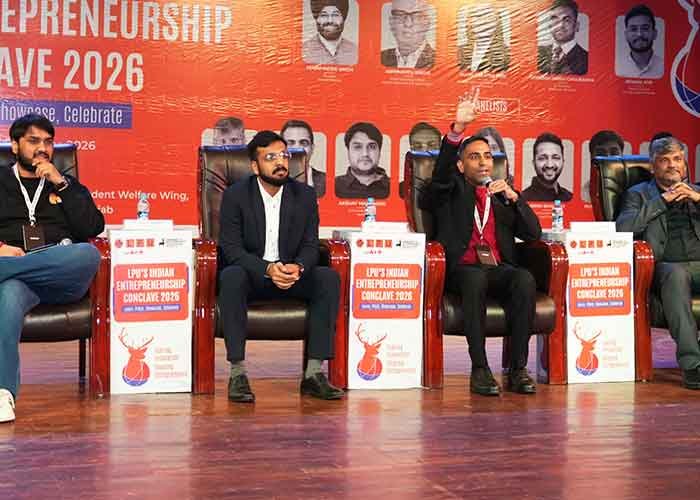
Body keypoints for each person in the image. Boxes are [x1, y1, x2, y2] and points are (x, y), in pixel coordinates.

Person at [419, 94, 542, 396]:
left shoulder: (501, 195)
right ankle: (480, 369)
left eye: (487, 156)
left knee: (524, 279)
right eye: (475, 156)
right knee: (474, 278)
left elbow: (532, 233)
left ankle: (517, 369)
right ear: (461, 166)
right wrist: (457, 130)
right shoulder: (450, 189)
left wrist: (515, 199)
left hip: (496, 269)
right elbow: (441, 175)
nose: (484, 161)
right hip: (461, 270)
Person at [217, 131, 344, 403]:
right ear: (255, 166)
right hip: (254, 276)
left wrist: (298, 267)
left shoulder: (305, 195)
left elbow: (311, 244)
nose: (280, 163)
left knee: (327, 278)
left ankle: (314, 374)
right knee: (231, 276)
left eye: (284, 156)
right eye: (270, 157)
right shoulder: (235, 196)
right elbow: (231, 248)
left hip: (291, 275)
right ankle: (238, 374)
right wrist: (267, 269)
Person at [0, 114, 104, 423]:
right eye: (33, 141)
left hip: (61, 276)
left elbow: (93, 227)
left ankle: (11, 267)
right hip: (18, 279)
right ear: (15, 145)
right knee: (8, 295)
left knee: (87, 254)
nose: (42, 149)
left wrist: (62, 183)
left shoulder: (66, 184)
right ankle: (3, 393)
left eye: (48, 142)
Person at [616, 137, 700, 390]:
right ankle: (693, 365)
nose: (672, 165)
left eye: (677, 159)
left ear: (685, 164)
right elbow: (623, 228)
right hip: (665, 266)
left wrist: (697, 198)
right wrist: (663, 200)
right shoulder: (638, 194)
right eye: (664, 160)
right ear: (653, 167)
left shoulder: (697, 191)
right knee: (676, 275)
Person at [335, 122, 390, 199]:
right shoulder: (333, 186)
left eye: (372, 147)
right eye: (357, 147)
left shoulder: (396, 187)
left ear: (379, 151)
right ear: (348, 151)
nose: (365, 154)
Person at [537, 0, 588, 75]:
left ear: (576, 26)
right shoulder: (538, 53)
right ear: (549, 25)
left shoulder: (586, 59)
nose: (560, 25)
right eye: (555, 19)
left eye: (567, 20)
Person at [381, 0, 435, 69]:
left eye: (416, 16)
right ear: (391, 22)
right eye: (400, 15)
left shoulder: (438, 61)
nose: (408, 24)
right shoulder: (381, 58)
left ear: (427, 24)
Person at [303, 0, 358, 65]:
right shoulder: (304, 51)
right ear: (316, 19)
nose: (330, 20)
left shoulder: (355, 51)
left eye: (335, 15)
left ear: (343, 18)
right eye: (324, 15)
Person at [522, 132, 573, 202]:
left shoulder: (569, 198)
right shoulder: (523, 199)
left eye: (555, 158)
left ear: (563, 161)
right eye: (542, 158)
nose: (549, 165)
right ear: (534, 163)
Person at [281, 119, 326, 197]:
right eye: (290, 143)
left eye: (304, 143)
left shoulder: (327, 182)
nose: (297, 148)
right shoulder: (269, 182)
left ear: (312, 148)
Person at [458, 5, 510, 72]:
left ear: (495, 23)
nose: (481, 23)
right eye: (477, 18)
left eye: (487, 19)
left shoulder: (503, 54)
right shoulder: (463, 51)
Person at [616, 4, 663, 79]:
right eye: (633, 29)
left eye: (645, 28)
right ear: (626, 35)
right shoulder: (618, 68)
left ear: (654, 33)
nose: (639, 34)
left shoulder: (664, 67)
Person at [400, 122, 441, 198]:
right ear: (411, 149)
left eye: (431, 145)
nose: (424, 151)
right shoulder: (402, 189)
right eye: (418, 146)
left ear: (440, 147)